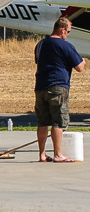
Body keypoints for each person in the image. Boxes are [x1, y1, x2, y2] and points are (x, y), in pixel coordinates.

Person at [34, 16, 84, 162]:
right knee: (58, 121)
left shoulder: (41, 44)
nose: (67, 34)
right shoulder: (65, 46)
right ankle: (58, 154)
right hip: (58, 87)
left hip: (41, 87)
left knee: (43, 122)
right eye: (68, 31)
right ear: (62, 30)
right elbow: (79, 67)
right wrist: (83, 62)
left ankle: (42, 154)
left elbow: (38, 61)